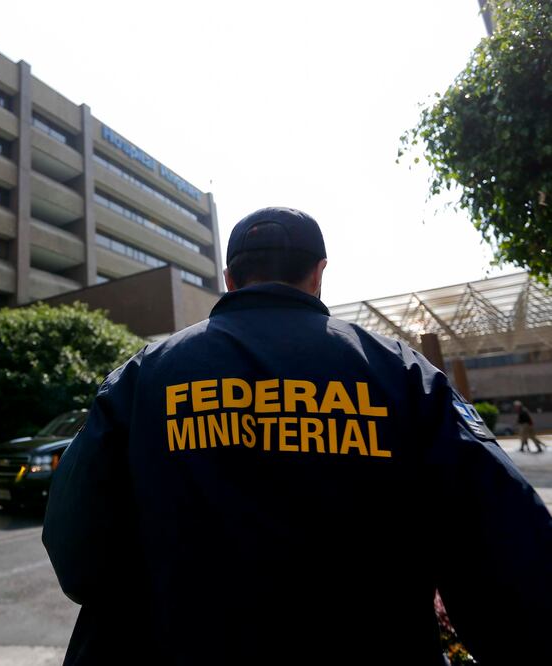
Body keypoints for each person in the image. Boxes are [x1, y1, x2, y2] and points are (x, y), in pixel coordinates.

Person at [42, 207, 552, 665]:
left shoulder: (143, 377)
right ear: (318, 274)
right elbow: (513, 554)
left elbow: (77, 554)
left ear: (229, 279)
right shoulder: (402, 375)